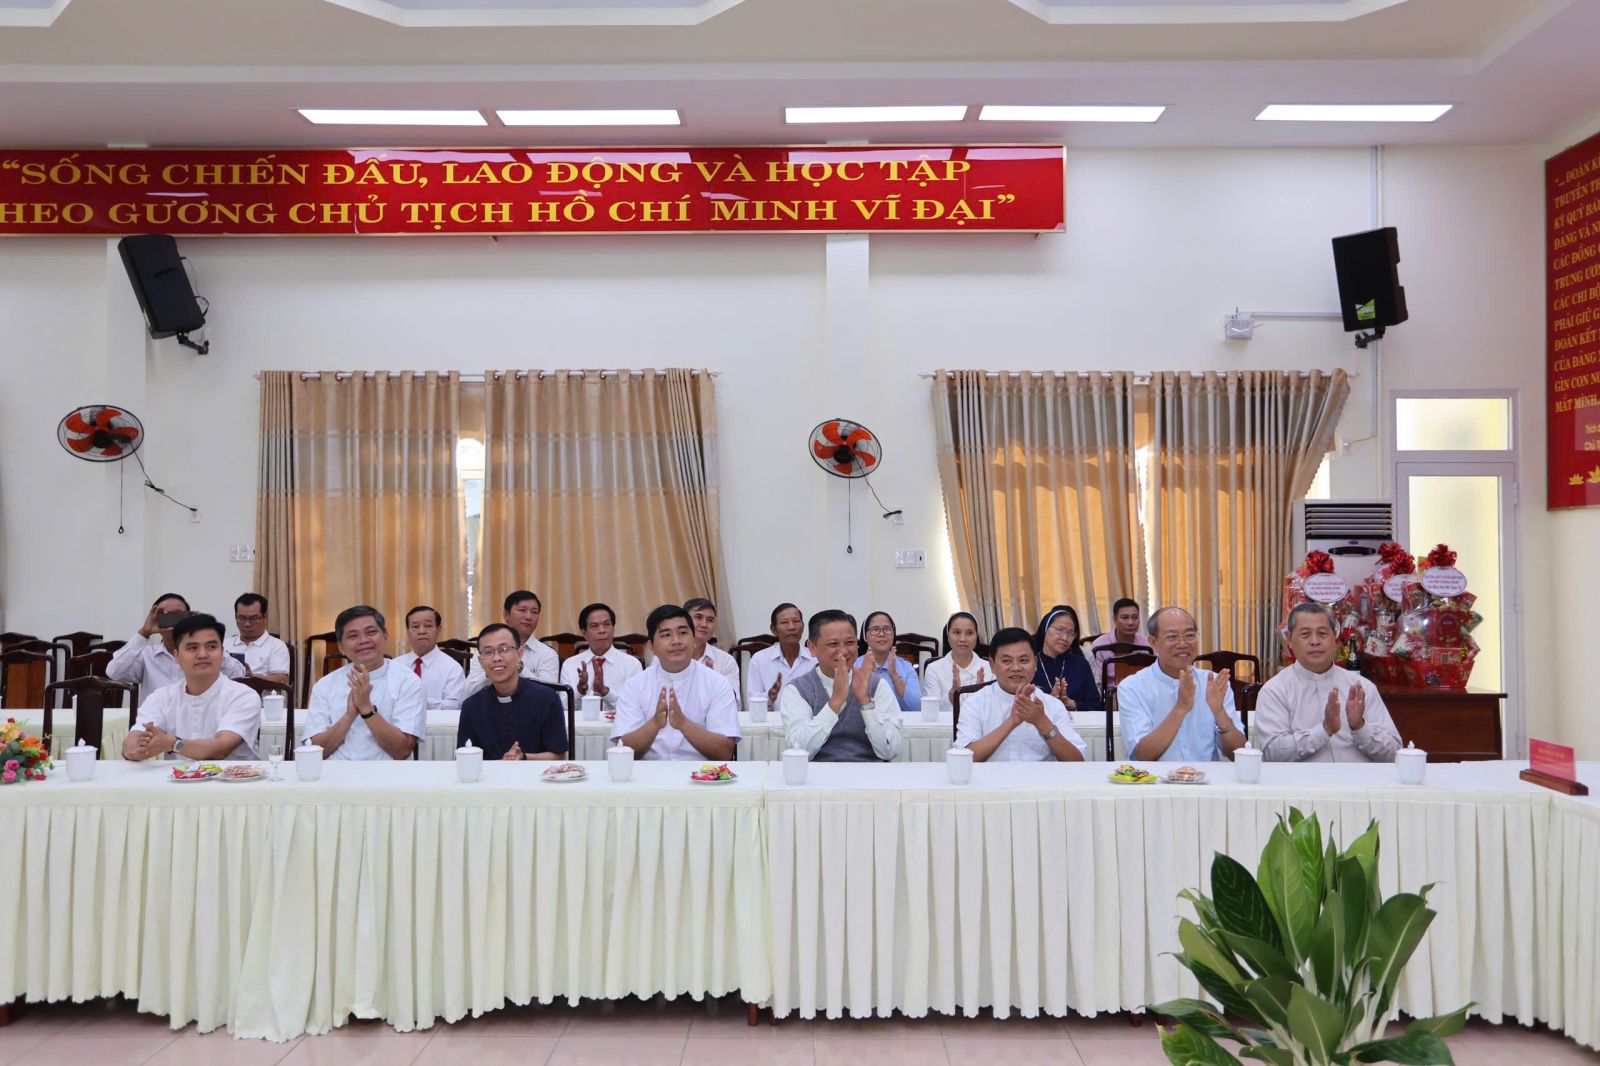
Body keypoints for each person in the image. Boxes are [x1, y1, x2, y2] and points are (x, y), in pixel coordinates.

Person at [1255, 603, 1402, 763]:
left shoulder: (1361, 688)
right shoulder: (1275, 690)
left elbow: (1394, 753)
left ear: (1335, 637)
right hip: (1304, 779)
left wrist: (1360, 727)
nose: (1315, 641)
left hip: (1359, 778)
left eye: (1322, 633)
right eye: (1305, 634)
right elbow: (1272, 754)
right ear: (1289, 640)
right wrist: (1324, 730)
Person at [122, 613, 261, 762]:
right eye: (192, 648)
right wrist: (137, 748)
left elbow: (219, 749)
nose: (202, 654)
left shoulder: (243, 696)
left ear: (222, 653)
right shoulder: (161, 697)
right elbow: (133, 741)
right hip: (176, 776)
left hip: (233, 776)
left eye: (211, 647)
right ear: (176, 656)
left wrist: (172, 743)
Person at [611, 604, 740, 761]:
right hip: (649, 773)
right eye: (666, 635)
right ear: (651, 646)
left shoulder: (717, 683)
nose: (676, 641)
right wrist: (654, 724)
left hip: (700, 773)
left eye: (683, 633)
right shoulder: (635, 685)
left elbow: (724, 752)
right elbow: (623, 750)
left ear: (693, 639)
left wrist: (684, 724)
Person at [1117, 607, 1245, 762]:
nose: (1183, 644)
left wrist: (1219, 713)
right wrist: (1181, 707)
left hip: (1205, 777)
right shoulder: (1132, 687)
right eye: (1172, 637)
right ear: (1153, 642)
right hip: (1156, 777)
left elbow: (1239, 754)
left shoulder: (1214, 683)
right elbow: (1142, 756)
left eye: (1190, 635)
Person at [778, 609, 904, 762]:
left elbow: (891, 751)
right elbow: (799, 749)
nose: (843, 651)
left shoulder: (876, 685)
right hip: (816, 775)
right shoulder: (798, 690)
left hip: (868, 773)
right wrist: (835, 703)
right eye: (833, 644)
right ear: (812, 648)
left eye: (850, 643)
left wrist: (865, 702)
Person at [302, 605, 425, 760]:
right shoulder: (325, 685)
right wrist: (349, 715)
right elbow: (315, 752)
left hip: (388, 773)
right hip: (336, 772)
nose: (364, 640)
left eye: (371, 632)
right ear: (341, 647)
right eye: (353, 636)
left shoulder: (409, 682)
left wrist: (366, 708)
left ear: (385, 636)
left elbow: (402, 751)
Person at [954, 627, 1086, 763]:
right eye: (1006, 661)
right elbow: (963, 759)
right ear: (992, 665)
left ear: (1035, 663)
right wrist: (1011, 722)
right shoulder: (974, 703)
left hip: (1042, 777)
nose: (1016, 668)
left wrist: (1042, 722)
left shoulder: (1053, 705)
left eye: (1023, 660)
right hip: (990, 777)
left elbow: (1076, 761)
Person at [458, 622, 568, 760]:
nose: (497, 658)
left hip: (535, 773)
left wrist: (524, 757)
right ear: (480, 661)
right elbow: (464, 757)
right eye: (488, 652)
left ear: (519, 654)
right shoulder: (471, 706)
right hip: (488, 774)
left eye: (504, 649)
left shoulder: (547, 699)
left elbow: (558, 755)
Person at [108, 592, 246, 692]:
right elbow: (114, 673)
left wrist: (205, 633)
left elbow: (238, 674)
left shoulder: (202, 654)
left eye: (177, 614)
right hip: (156, 720)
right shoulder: (146, 655)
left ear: (188, 617)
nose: (170, 619)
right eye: (163, 615)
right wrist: (144, 632)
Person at [464, 589, 560, 695]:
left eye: (534, 612)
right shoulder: (487, 651)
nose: (528, 616)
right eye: (522, 610)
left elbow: (550, 694)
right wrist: (490, 672)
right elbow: (469, 692)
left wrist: (519, 667)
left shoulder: (547, 654)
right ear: (506, 615)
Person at [559, 602, 643, 715]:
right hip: (580, 726)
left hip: (618, 726)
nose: (602, 630)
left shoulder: (632, 664)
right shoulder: (570, 665)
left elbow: (635, 707)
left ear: (613, 628)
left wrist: (605, 692)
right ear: (584, 633)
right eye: (594, 626)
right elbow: (562, 708)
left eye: (607, 624)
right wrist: (579, 691)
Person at [1031, 605, 1102, 715]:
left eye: (1070, 633)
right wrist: (1049, 701)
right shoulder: (1029, 663)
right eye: (1060, 630)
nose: (1065, 638)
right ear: (1045, 628)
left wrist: (1073, 704)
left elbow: (1096, 707)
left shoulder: (1081, 665)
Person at [393, 604, 466, 711]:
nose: (422, 631)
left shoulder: (452, 668)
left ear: (438, 629)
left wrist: (420, 701)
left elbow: (455, 706)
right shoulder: (395, 666)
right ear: (408, 632)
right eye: (415, 627)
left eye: (428, 626)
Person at [746, 602, 817, 707]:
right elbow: (752, 705)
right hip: (772, 718)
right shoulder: (759, 660)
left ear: (802, 626)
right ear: (774, 630)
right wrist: (769, 697)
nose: (792, 627)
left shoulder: (815, 659)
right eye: (784, 622)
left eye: (796, 621)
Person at [921, 611, 991, 716]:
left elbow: (996, 710)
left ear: (976, 637)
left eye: (969, 633)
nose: (963, 639)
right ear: (948, 636)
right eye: (957, 632)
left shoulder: (990, 668)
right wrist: (951, 697)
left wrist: (981, 697)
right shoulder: (933, 669)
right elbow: (931, 712)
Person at [854, 610, 922, 713]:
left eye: (887, 629)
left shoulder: (906, 667)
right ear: (865, 637)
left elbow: (917, 707)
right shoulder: (855, 666)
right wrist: (873, 679)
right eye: (875, 630)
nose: (881, 634)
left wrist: (894, 676)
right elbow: (851, 710)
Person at [224, 593, 291, 684]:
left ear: (265, 618)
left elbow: (280, 678)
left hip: (262, 692)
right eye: (242, 618)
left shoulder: (276, 646)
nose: (247, 624)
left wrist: (251, 679)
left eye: (253, 618)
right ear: (236, 617)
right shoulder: (224, 644)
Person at [684, 597, 741, 694]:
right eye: (698, 617)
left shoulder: (725, 660)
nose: (704, 624)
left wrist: (714, 682)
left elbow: (732, 699)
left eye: (710, 620)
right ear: (684, 620)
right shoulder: (669, 658)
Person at [1090, 598, 1151, 667]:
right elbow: (1097, 674)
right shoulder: (1099, 646)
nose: (1130, 623)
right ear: (1115, 619)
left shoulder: (1147, 643)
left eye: (1135, 617)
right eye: (1125, 617)